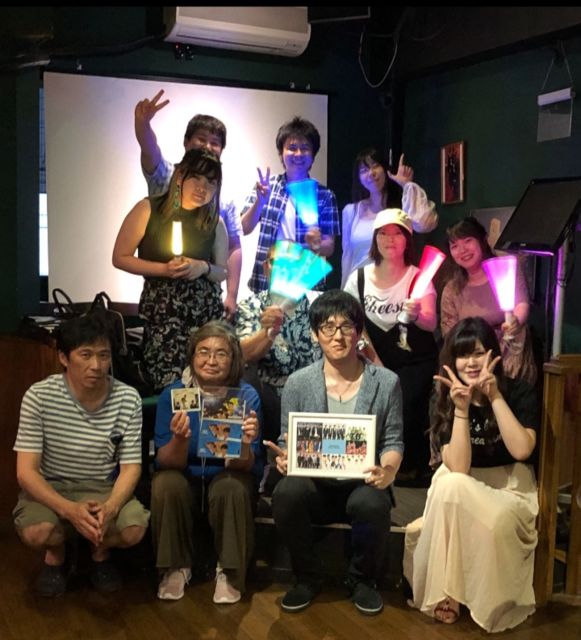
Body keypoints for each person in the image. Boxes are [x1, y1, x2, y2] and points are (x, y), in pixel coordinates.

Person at [266, 290, 403, 615]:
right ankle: (306, 577)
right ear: (315, 334)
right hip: (315, 481)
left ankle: (362, 580)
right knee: (286, 493)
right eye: (328, 327)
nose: (338, 336)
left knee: (371, 503)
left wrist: (387, 471)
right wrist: (284, 457)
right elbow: (288, 438)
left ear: (359, 332)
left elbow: (393, 440)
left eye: (346, 326)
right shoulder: (298, 382)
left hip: (363, 481)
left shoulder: (386, 382)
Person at [404, 317, 539, 632]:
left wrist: (494, 397)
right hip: (461, 480)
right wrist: (462, 409)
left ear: (494, 354)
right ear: (452, 361)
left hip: (509, 487)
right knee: (451, 484)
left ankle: (456, 594)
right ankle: (449, 593)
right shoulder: (442, 397)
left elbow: (522, 450)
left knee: (455, 491)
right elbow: (459, 467)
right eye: (463, 355)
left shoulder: (518, 391)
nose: (472, 362)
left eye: (478, 353)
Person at [12, 313, 150, 597]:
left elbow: (131, 467)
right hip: (53, 486)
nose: (96, 366)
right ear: (64, 358)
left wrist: (111, 507)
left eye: (104, 355)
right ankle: (57, 554)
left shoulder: (127, 398)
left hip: (102, 487)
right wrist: (69, 510)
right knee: (37, 531)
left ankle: (98, 551)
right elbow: (26, 472)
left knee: (134, 529)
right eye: (85, 355)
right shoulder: (39, 396)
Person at [151, 320, 262, 604]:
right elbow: (166, 461)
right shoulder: (174, 395)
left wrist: (244, 443)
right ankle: (174, 568)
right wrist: (179, 439)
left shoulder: (245, 396)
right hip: (184, 472)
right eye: (203, 352)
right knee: (166, 483)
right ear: (192, 356)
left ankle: (231, 572)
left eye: (221, 353)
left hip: (228, 473)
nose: (211, 360)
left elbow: (244, 465)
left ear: (233, 359)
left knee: (231, 486)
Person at [113, 147, 228, 392]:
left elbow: (222, 272)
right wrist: (164, 269)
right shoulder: (149, 209)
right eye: (196, 178)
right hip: (164, 316)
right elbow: (120, 257)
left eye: (211, 182)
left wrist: (203, 267)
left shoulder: (214, 222)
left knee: (206, 383)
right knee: (170, 386)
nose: (203, 187)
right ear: (180, 176)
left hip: (204, 316)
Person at [344, 208, 438, 482]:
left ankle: (409, 469)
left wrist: (417, 314)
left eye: (397, 233)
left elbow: (431, 322)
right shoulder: (358, 278)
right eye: (383, 233)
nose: (390, 239)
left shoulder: (418, 277)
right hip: (371, 359)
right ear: (375, 239)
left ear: (408, 239)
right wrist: (376, 364)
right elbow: (354, 326)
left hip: (414, 362)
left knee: (406, 401)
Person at [134, 90, 242, 320]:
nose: (207, 146)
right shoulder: (166, 175)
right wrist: (143, 125)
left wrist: (232, 295)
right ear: (186, 142)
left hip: (205, 300)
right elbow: (150, 150)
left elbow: (233, 247)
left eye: (215, 143)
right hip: (162, 300)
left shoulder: (224, 199)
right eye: (201, 139)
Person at [240, 116, 340, 293]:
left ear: (313, 155)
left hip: (306, 282)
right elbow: (244, 228)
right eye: (292, 148)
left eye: (305, 148)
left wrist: (315, 244)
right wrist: (260, 202)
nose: (298, 154)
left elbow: (329, 246)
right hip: (268, 280)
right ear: (281, 153)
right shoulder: (267, 187)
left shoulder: (325, 196)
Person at [235, 243, 321, 445]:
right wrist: (267, 333)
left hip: (317, 393)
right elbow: (243, 354)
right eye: (278, 263)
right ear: (266, 268)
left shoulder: (320, 303)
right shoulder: (250, 306)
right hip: (270, 396)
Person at [440, 216, 537, 384]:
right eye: (454, 246)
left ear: (482, 240)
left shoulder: (506, 270)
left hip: (509, 357)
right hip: (471, 363)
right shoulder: (452, 289)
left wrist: (515, 322)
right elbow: (450, 333)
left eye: (468, 241)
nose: (462, 250)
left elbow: (521, 304)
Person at [341, 148, 438, 287]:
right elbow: (347, 257)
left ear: (385, 169)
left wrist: (406, 185)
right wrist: (344, 292)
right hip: (359, 287)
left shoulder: (401, 209)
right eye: (364, 170)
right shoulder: (351, 211)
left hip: (395, 286)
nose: (371, 173)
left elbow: (425, 224)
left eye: (375, 166)